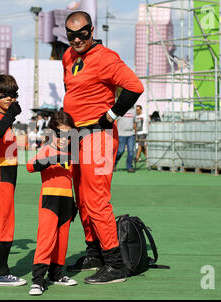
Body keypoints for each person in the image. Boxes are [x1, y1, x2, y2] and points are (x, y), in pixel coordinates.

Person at [62, 11, 144, 284]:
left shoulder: (106, 57)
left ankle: (115, 264)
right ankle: (94, 253)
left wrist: (109, 116)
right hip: (76, 136)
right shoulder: (68, 57)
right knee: (82, 200)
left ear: (92, 29)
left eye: (82, 32)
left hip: (98, 135)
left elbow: (134, 87)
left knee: (96, 200)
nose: (77, 38)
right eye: (71, 34)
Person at [26, 111, 78, 296]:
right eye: (60, 134)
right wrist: (52, 159)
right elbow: (30, 166)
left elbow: (70, 179)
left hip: (66, 201)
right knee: (46, 239)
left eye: (68, 134)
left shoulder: (72, 153)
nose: (64, 138)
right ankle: (38, 280)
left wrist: (74, 203)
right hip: (49, 199)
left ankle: (56, 275)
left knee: (62, 240)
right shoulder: (47, 149)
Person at [0, 74, 26, 287]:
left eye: (13, 94)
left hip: (5, 176)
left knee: (1, 222)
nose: (10, 98)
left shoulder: (2, 117)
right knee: (5, 224)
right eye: (4, 94)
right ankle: (0, 272)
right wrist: (9, 116)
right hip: (0, 177)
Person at [114, 106, 136, 172]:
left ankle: (129, 167)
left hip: (131, 134)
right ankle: (113, 164)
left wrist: (135, 132)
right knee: (120, 151)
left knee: (131, 152)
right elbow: (115, 121)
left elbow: (135, 122)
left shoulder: (133, 111)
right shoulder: (120, 109)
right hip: (121, 134)